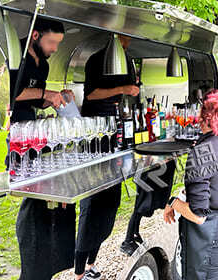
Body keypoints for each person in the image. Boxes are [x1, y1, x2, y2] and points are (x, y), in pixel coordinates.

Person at [11, 18, 76, 280]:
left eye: (57, 44)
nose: (54, 49)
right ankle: (31, 260)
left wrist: (57, 100)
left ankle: (48, 263)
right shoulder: (16, 55)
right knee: (29, 192)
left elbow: (36, 101)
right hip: (13, 131)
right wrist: (46, 95)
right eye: (51, 42)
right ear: (35, 35)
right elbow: (12, 94)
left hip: (33, 133)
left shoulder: (45, 64)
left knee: (46, 190)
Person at [75, 34, 139, 280]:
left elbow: (129, 94)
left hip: (117, 133)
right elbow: (90, 95)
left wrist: (131, 91)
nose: (128, 42)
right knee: (92, 203)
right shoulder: (96, 60)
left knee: (110, 201)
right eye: (125, 37)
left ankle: (92, 263)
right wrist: (123, 88)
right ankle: (79, 271)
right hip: (94, 137)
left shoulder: (128, 61)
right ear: (116, 36)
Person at [164, 89, 218, 280]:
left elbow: (198, 216)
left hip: (212, 238)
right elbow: (214, 182)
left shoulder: (200, 152)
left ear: (203, 116)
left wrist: (173, 202)